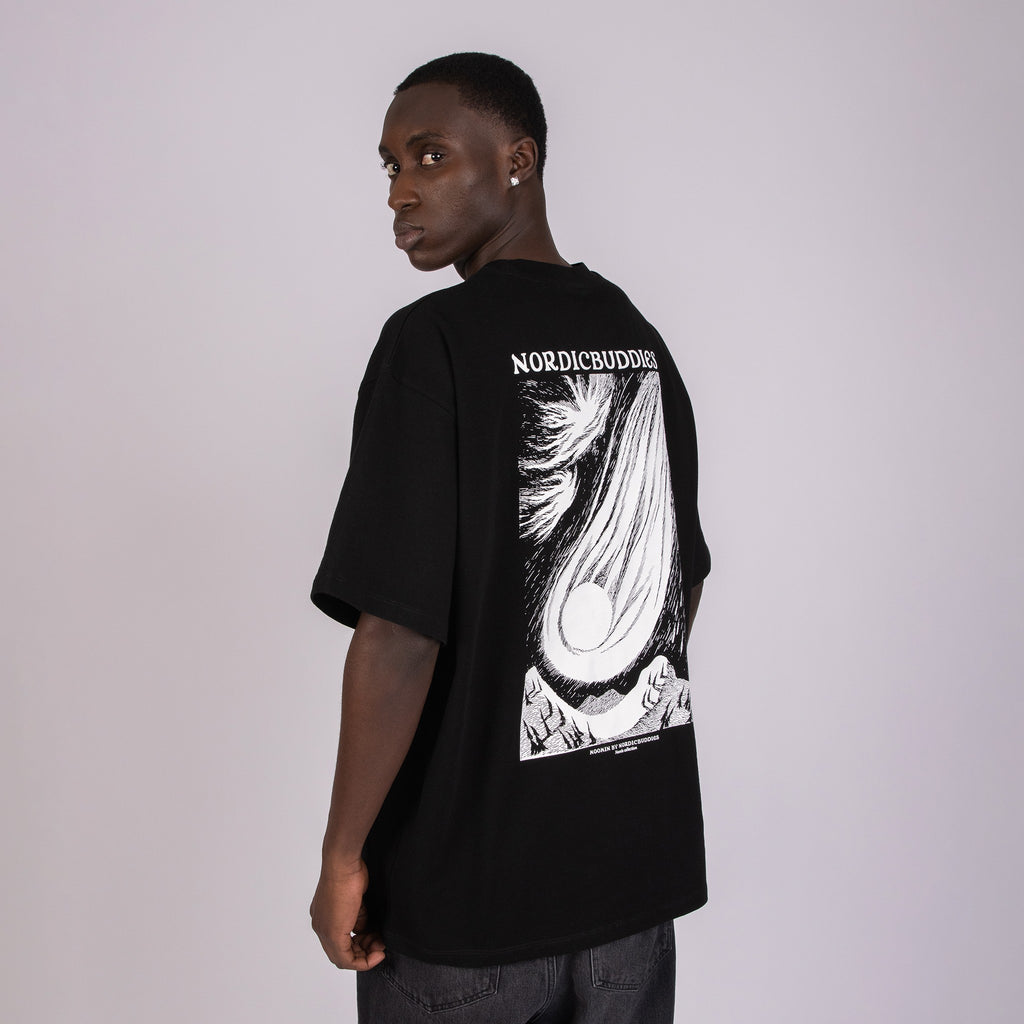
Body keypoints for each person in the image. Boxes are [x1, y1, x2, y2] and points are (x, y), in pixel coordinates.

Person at [308, 52, 711, 1024]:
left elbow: (398, 634)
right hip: (629, 898)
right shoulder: (637, 339)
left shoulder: (433, 343)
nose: (400, 192)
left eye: (430, 156)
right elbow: (681, 579)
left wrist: (343, 856)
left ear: (517, 159)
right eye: (390, 167)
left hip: (467, 907)